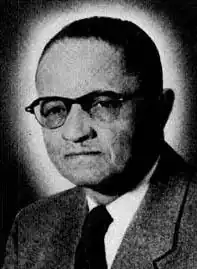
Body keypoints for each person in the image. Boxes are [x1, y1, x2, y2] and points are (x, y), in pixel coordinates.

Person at [3, 16, 197, 269]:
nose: (75, 132)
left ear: (160, 110)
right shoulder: (32, 227)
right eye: (54, 109)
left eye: (103, 104)